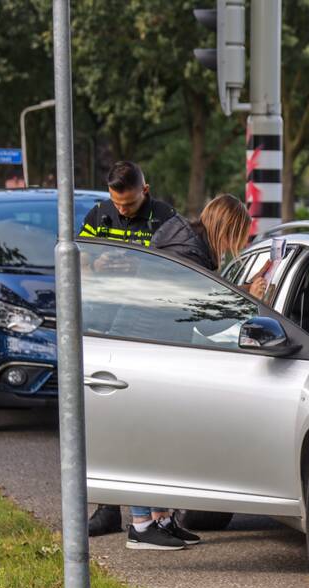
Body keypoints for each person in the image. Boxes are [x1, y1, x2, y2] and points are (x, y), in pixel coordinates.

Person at [83, 161, 193, 549]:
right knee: (128, 425)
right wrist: (98, 263)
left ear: (145, 190)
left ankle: (160, 518)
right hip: (110, 330)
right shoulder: (98, 216)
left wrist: (140, 265)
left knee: (155, 428)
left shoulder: (164, 218)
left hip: (150, 331)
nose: (122, 211)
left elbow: (177, 269)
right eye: (117, 204)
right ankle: (138, 520)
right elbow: (78, 264)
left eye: (129, 204)